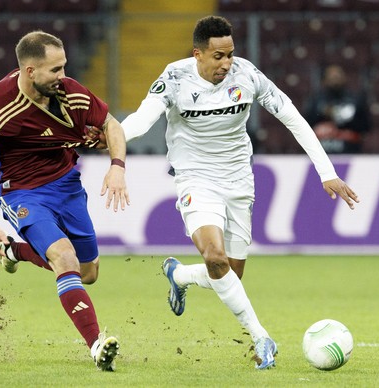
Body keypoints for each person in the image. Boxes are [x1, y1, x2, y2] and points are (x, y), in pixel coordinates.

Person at [109, 15, 359, 369]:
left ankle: (178, 275)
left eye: (230, 54)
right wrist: (111, 138)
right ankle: (262, 338)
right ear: (197, 54)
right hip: (195, 177)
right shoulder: (175, 77)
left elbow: (292, 117)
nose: (227, 63)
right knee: (215, 257)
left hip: (239, 180)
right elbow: (141, 119)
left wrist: (327, 173)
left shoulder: (247, 74)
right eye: (218, 57)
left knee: (229, 274)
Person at [0, 31, 129, 372]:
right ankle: (97, 344)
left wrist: (117, 167)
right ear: (30, 72)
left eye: (64, 67)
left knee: (88, 273)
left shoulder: (71, 93)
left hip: (68, 187)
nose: (63, 76)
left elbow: (112, 125)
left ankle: (16, 252)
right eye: (55, 70)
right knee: (64, 257)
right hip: (22, 193)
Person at [304, 64, 371, 154]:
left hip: (350, 151)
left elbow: (365, 126)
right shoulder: (316, 100)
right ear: (324, 80)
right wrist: (323, 113)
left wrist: (344, 117)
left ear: (344, 78)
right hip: (321, 151)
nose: (335, 80)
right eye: (331, 76)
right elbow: (306, 124)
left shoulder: (355, 100)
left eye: (337, 76)